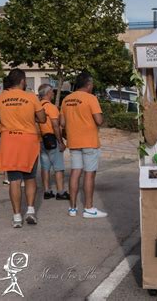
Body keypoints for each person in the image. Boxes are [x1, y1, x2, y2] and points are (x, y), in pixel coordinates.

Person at [0, 69, 46, 228]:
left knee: (14, 180)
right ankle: (31, 211)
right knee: (30, 178)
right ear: (22, 81)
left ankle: (17, 217)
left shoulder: (1, 98)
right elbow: (42, 118)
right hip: (28, 142)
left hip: (9, 141)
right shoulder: (31, 97)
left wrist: (4, 119)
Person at [60, 72, 106, 218]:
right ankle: (88, 208)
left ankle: (72, 209)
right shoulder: (91, 98)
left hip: (73, 142)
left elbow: (62, 123)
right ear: (88, 84)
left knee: (75, 172)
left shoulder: (66, 99)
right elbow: (99, 120)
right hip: (89, 142)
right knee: (89, 174)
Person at [37, 84, 69, 200]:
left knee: (45, 167)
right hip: (52, 140)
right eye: (52, 91)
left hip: (41, 140)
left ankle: (47, 191)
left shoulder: (37, 106)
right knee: (58, 166)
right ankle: (60, 192)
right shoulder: (51, 107)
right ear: (48, 93)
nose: (53, 93)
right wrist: (61, 142)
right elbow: (55, 125)